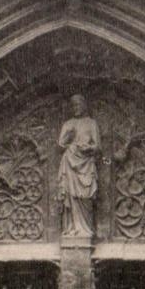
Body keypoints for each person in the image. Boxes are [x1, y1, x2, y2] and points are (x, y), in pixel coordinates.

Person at [57, 95, 100, 238]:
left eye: (78, 105)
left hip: (86, 163)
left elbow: (97, 146)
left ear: (84, 106)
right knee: (71, 195)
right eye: (73, 105)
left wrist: (88, 148)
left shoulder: (91, 123)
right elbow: (60, 145)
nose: (76, 108)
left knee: (86, 196)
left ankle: (86, 229)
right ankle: (71, 228)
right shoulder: (68, 124)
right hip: (70, 161)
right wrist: (69, 135)